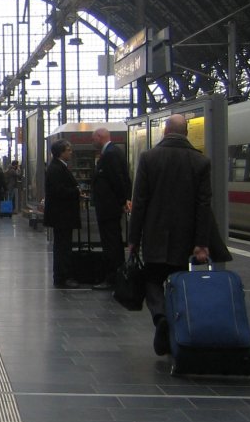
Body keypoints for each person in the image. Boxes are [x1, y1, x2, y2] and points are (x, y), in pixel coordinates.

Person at [127, 113, 232, 355]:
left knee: (152, 279)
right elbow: (203, 205)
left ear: (164, 132)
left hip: (154, 232)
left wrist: (133, 240)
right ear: (186, 133)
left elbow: (139, 202)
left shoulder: (149, 158)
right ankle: (175, 325)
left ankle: (160, 316)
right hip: (185, 237)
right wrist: (201, 243)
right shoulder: (200, 161)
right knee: (180, 281)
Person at [90, 127, 132, 291]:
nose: (92, 142)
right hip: (110, 207)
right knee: (112, 242)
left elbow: (118, 180)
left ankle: (113, 277)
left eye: (93, 139)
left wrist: (123, 200)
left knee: (111, 243)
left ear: (100, 137)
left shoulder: (111, 154)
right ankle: (115, 276)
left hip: (109, 207)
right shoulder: (112, 152)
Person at [44, 139, 82, 289]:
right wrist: (75, 191)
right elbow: (57, 191)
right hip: (62, 215)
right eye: (68, 150)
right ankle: (62, 277)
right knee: (63, 246)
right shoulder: (56, 168)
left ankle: (63, 276)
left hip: (61, 215)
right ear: (61, 152)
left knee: (63, 245)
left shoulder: (58, 167)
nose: (71, 152)